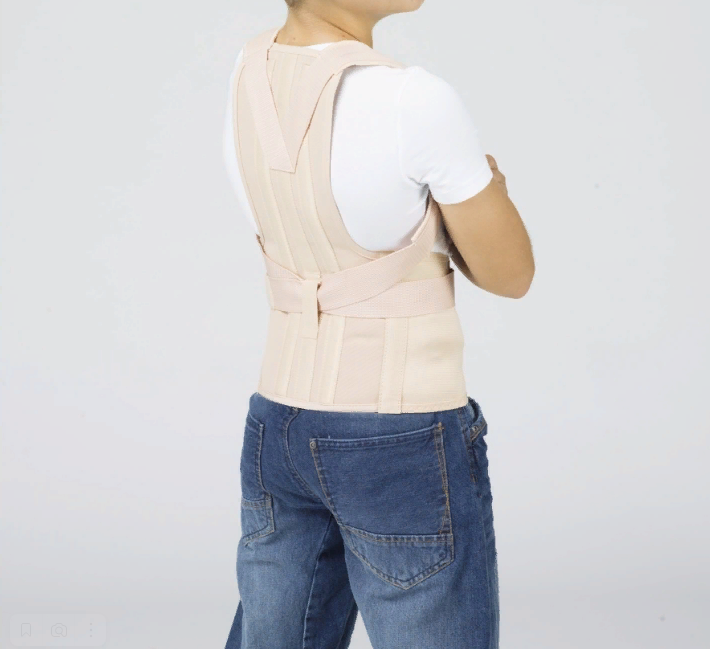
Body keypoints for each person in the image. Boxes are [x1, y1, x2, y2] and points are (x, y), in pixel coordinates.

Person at [222, 1, 534, 647]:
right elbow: (511, 274)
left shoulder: (248, 73)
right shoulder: (412, 99)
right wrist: (492, 191)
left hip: (278, 422)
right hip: (398, 432)